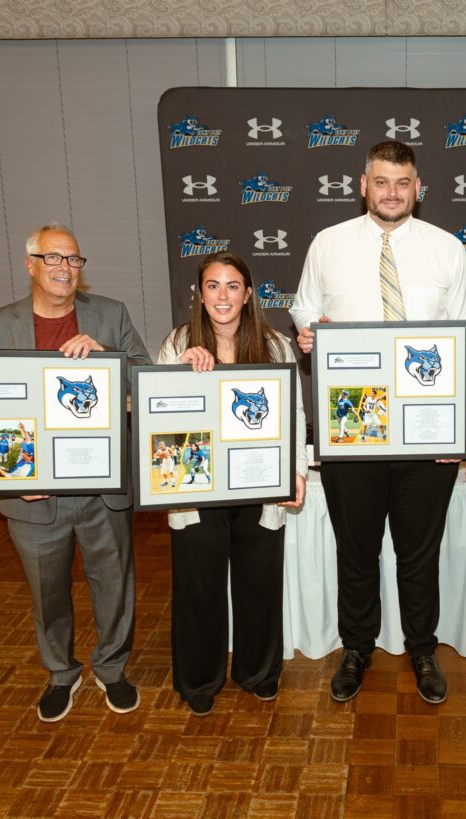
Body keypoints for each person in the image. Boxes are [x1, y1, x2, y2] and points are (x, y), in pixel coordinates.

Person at [290, 140, 466, 704]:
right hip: (354, 423)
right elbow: (303, 306)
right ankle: (357, 648)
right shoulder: (327, 244)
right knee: (357, 548)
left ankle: (423, 648)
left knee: (420, 551)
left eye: (402, 183)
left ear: (418, 188)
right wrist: (310, 327)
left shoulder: (448, 250)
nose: (392, 193)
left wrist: (456, 430)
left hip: (425, 427)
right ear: (362, 184)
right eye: (381, 181)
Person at [0, 223, 151, 722]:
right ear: (31, 264)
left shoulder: (110, 315)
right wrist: (12, 478)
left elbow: (145, 372)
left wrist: (106, 357)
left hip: (102, 487)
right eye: (53, 258)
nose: (64, 268)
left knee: (113, 585)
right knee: (47, 593)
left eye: (72, 259)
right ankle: (61, 674)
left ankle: (111, 670)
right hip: (34, 494)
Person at [157, 251, 308, 717]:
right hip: (198, 486)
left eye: (232, 286)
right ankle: (199, 678)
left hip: (260, 484)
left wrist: (297, 471)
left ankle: (258, 672)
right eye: (213, 286)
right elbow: (158, 415)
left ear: (248, 293)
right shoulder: (179, 343)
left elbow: (295, 415)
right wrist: (181, 370)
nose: (222, 296)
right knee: (198, 585)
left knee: (258, 582)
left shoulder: (275, 345)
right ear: (200, 295)